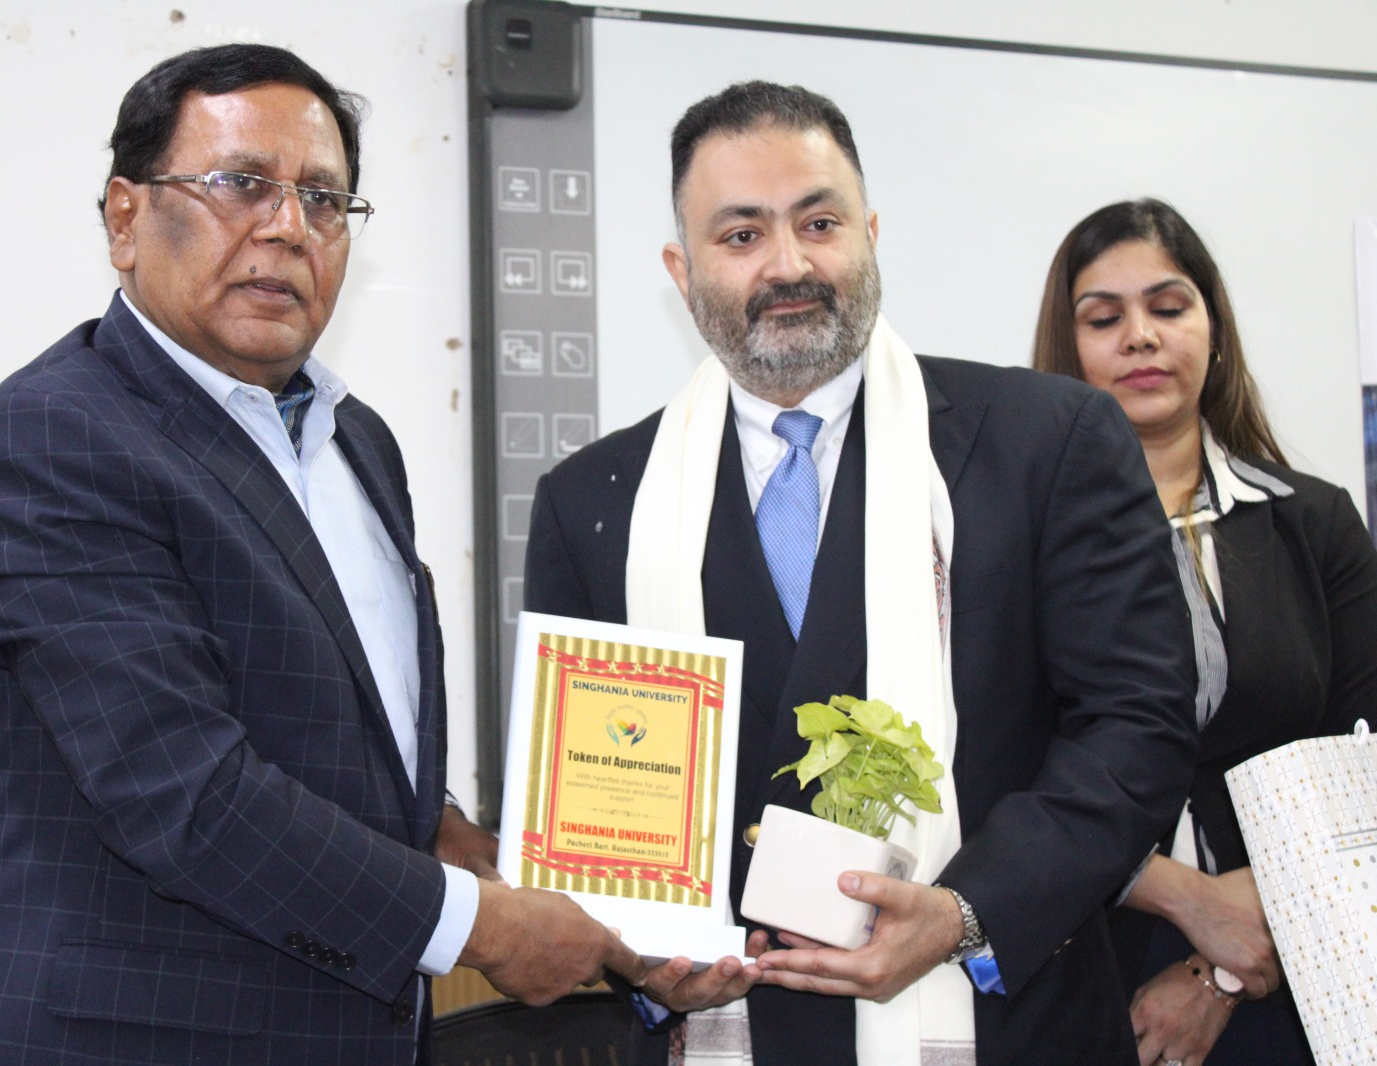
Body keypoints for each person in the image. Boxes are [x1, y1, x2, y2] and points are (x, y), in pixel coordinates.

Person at [0, 43, 643, 1065]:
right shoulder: (51, 438)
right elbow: (183, 793)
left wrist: (451, 836)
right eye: (240, 184)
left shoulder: (359, 443)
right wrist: (479, 925)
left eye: (323, 198)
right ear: (125, 219)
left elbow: (333, 729)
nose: (286, 226)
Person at [522, 81, 1196, 1065]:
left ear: (870, 234)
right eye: (741, 234)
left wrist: (966, 911)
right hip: (731, 1032)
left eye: (820, 222)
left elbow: (1138, 728)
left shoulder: (1046, 442)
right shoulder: (594, 502)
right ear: (681, 269)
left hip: (1003, 1025)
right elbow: (592, 812)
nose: (789, 264)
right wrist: (641, 957)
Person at [1033, 198, 1377, 1066]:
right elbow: (999, 759)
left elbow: (1360, 772)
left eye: (1169, 307)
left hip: (1291, 961)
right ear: (1067, 349)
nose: (1141, 337)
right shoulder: (1009, 539)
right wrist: (1180, 895)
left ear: (1214, 331)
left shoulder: (1316, 524)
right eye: (1104, 319)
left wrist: (1219, 972)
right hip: (1078, 956)